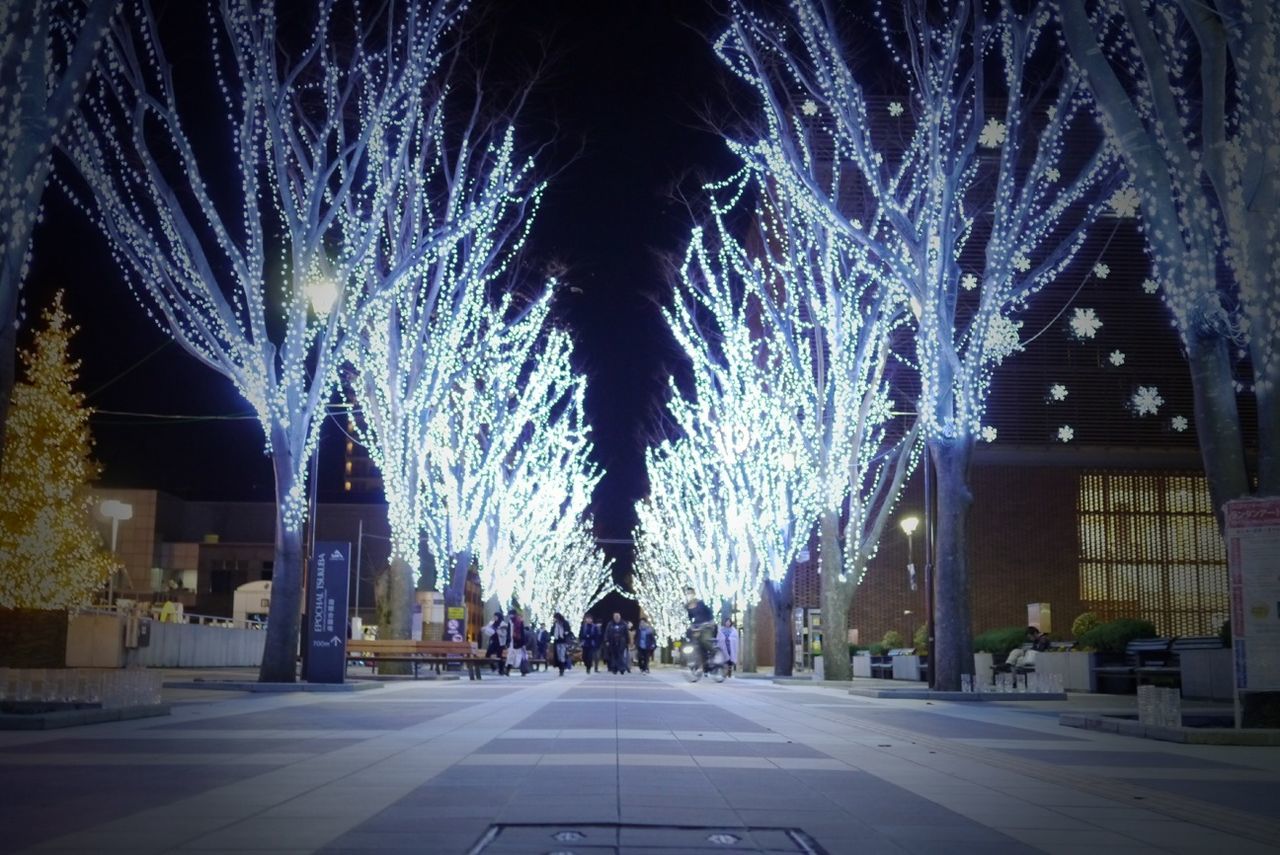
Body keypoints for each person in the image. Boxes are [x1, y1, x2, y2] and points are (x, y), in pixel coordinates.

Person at [684, 587, 717, 669]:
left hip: (706, 624)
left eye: (690, 593)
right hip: (697, 626)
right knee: (693, 640)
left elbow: (708, 612)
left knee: (705, 640)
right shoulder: (687, 606)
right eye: (687, 594)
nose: (689, 595)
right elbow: (689, 618)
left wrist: (710, 622)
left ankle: (714, 653)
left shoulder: (700, 603)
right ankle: (696, 660)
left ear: (694, 594)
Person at [507, 609, 528, 676]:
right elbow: (508, 632)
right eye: (510, 614)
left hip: (519, 642)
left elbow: (522, 633)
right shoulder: (510, 622)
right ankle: (507, 670)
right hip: (512, 642)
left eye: (511, 614)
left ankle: (523, 671)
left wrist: (523, 643)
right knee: (510, 656)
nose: (510, 616)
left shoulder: (519, 621)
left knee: (521, 657)